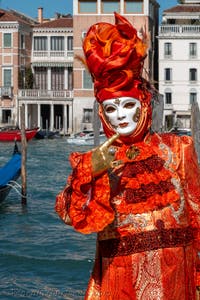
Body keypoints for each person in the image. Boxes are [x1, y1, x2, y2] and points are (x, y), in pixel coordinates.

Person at [55, 12, 200, 300]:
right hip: (120, 285)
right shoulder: (97, 160)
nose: (120, 115)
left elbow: (197, 211)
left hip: (177, 283)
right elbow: (69, 215)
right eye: (110, 108)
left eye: (127, 105)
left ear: (143, 104)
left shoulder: (177, 148)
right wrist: (90, 172)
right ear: (101, 113)